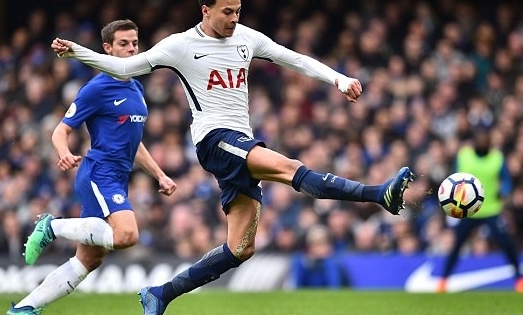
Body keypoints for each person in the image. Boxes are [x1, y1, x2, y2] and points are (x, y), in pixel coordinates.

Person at [51, 1, 415, 314]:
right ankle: (377, 194)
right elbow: (125, 68)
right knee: (289, 169)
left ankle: (160, 294)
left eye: (238, 10)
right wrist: (77, 51)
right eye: (227, 11)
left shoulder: (246, 38)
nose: (234, 18)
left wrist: (337, 79)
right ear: (205, 10)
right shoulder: (180, 45)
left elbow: (294, 59)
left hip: (241, 140)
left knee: (241, 249)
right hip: (214, 141)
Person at [7, 19, 177, 315]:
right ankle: (52, 226)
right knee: (127, 235)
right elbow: (60, 131)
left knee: (88, 260)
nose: (131, 49)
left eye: (134, 43)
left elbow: (133, 142)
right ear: (107, 49)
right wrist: (64, 152)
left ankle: (24, 308)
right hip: (100, 173)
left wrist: (159, 174)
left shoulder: (136, 87)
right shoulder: (96, 88)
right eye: (123, 44)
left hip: (118, 177)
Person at [436, 129, 523, 293]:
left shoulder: (497, 158)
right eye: (480, 141)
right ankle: (443, 281)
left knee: (506, 244)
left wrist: (503, 191)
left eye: (485, 142)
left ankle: (519, 279)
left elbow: (506, 181)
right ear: (474, 143)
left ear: (490, 143)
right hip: (468, 210)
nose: (483, 144)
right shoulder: (464, 156)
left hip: (491, 209)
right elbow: (453, 177)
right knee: (457, 245)